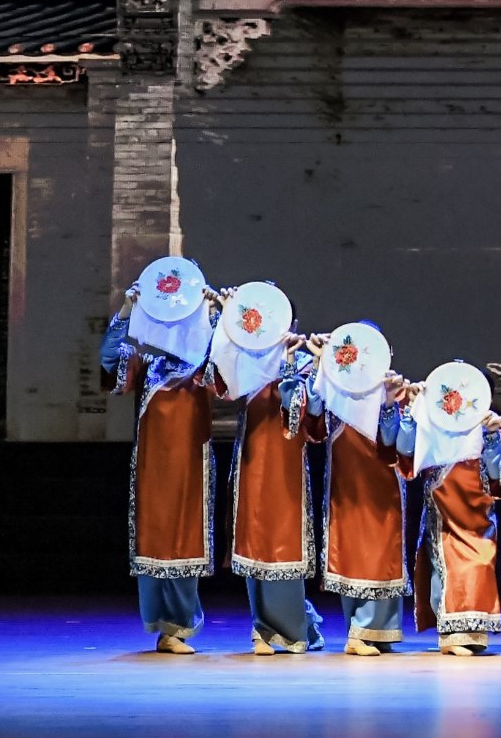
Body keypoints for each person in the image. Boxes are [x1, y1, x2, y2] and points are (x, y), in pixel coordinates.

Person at [100, 275, 218, 654]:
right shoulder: (148, 361)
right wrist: (126, 310)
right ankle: (164, 626)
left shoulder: (202, 360)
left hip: (191, 465)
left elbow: (226, 372)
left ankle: (177, 627)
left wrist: (216, 315)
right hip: (153, 466)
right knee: (155, 537)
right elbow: (110, 363)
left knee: (184, 537)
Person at [213, 290, 325, 656]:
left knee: (282, 539)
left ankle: (292, 630)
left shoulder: (304, 362)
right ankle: (261, 627)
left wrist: (290, 363)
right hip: (251, 462)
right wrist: (227, 320)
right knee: (254, 540)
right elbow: (219, 382)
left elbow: (299, 417)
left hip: (286, 467)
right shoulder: (249, 361)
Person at [397, 376, 501, 656]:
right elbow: (404, 450)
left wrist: (495, 437)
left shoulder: (490, 427)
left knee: (480, 563)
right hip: (446, 508)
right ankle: (450, 633)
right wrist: (412, 410)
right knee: (449, 562)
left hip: (478, 512)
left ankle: (472, 632)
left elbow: (500, 476)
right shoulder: (434, 425)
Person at [310, 335, 413, 657]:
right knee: (355, 550)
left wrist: (389, 403)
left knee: (383, 550)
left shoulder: (395, 390)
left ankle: (376, 631)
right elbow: (312, 420)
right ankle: (358, 631)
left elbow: (397, 444)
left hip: (384, 484)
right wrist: (320, 366)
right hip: (349, 485)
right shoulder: (335, 390)